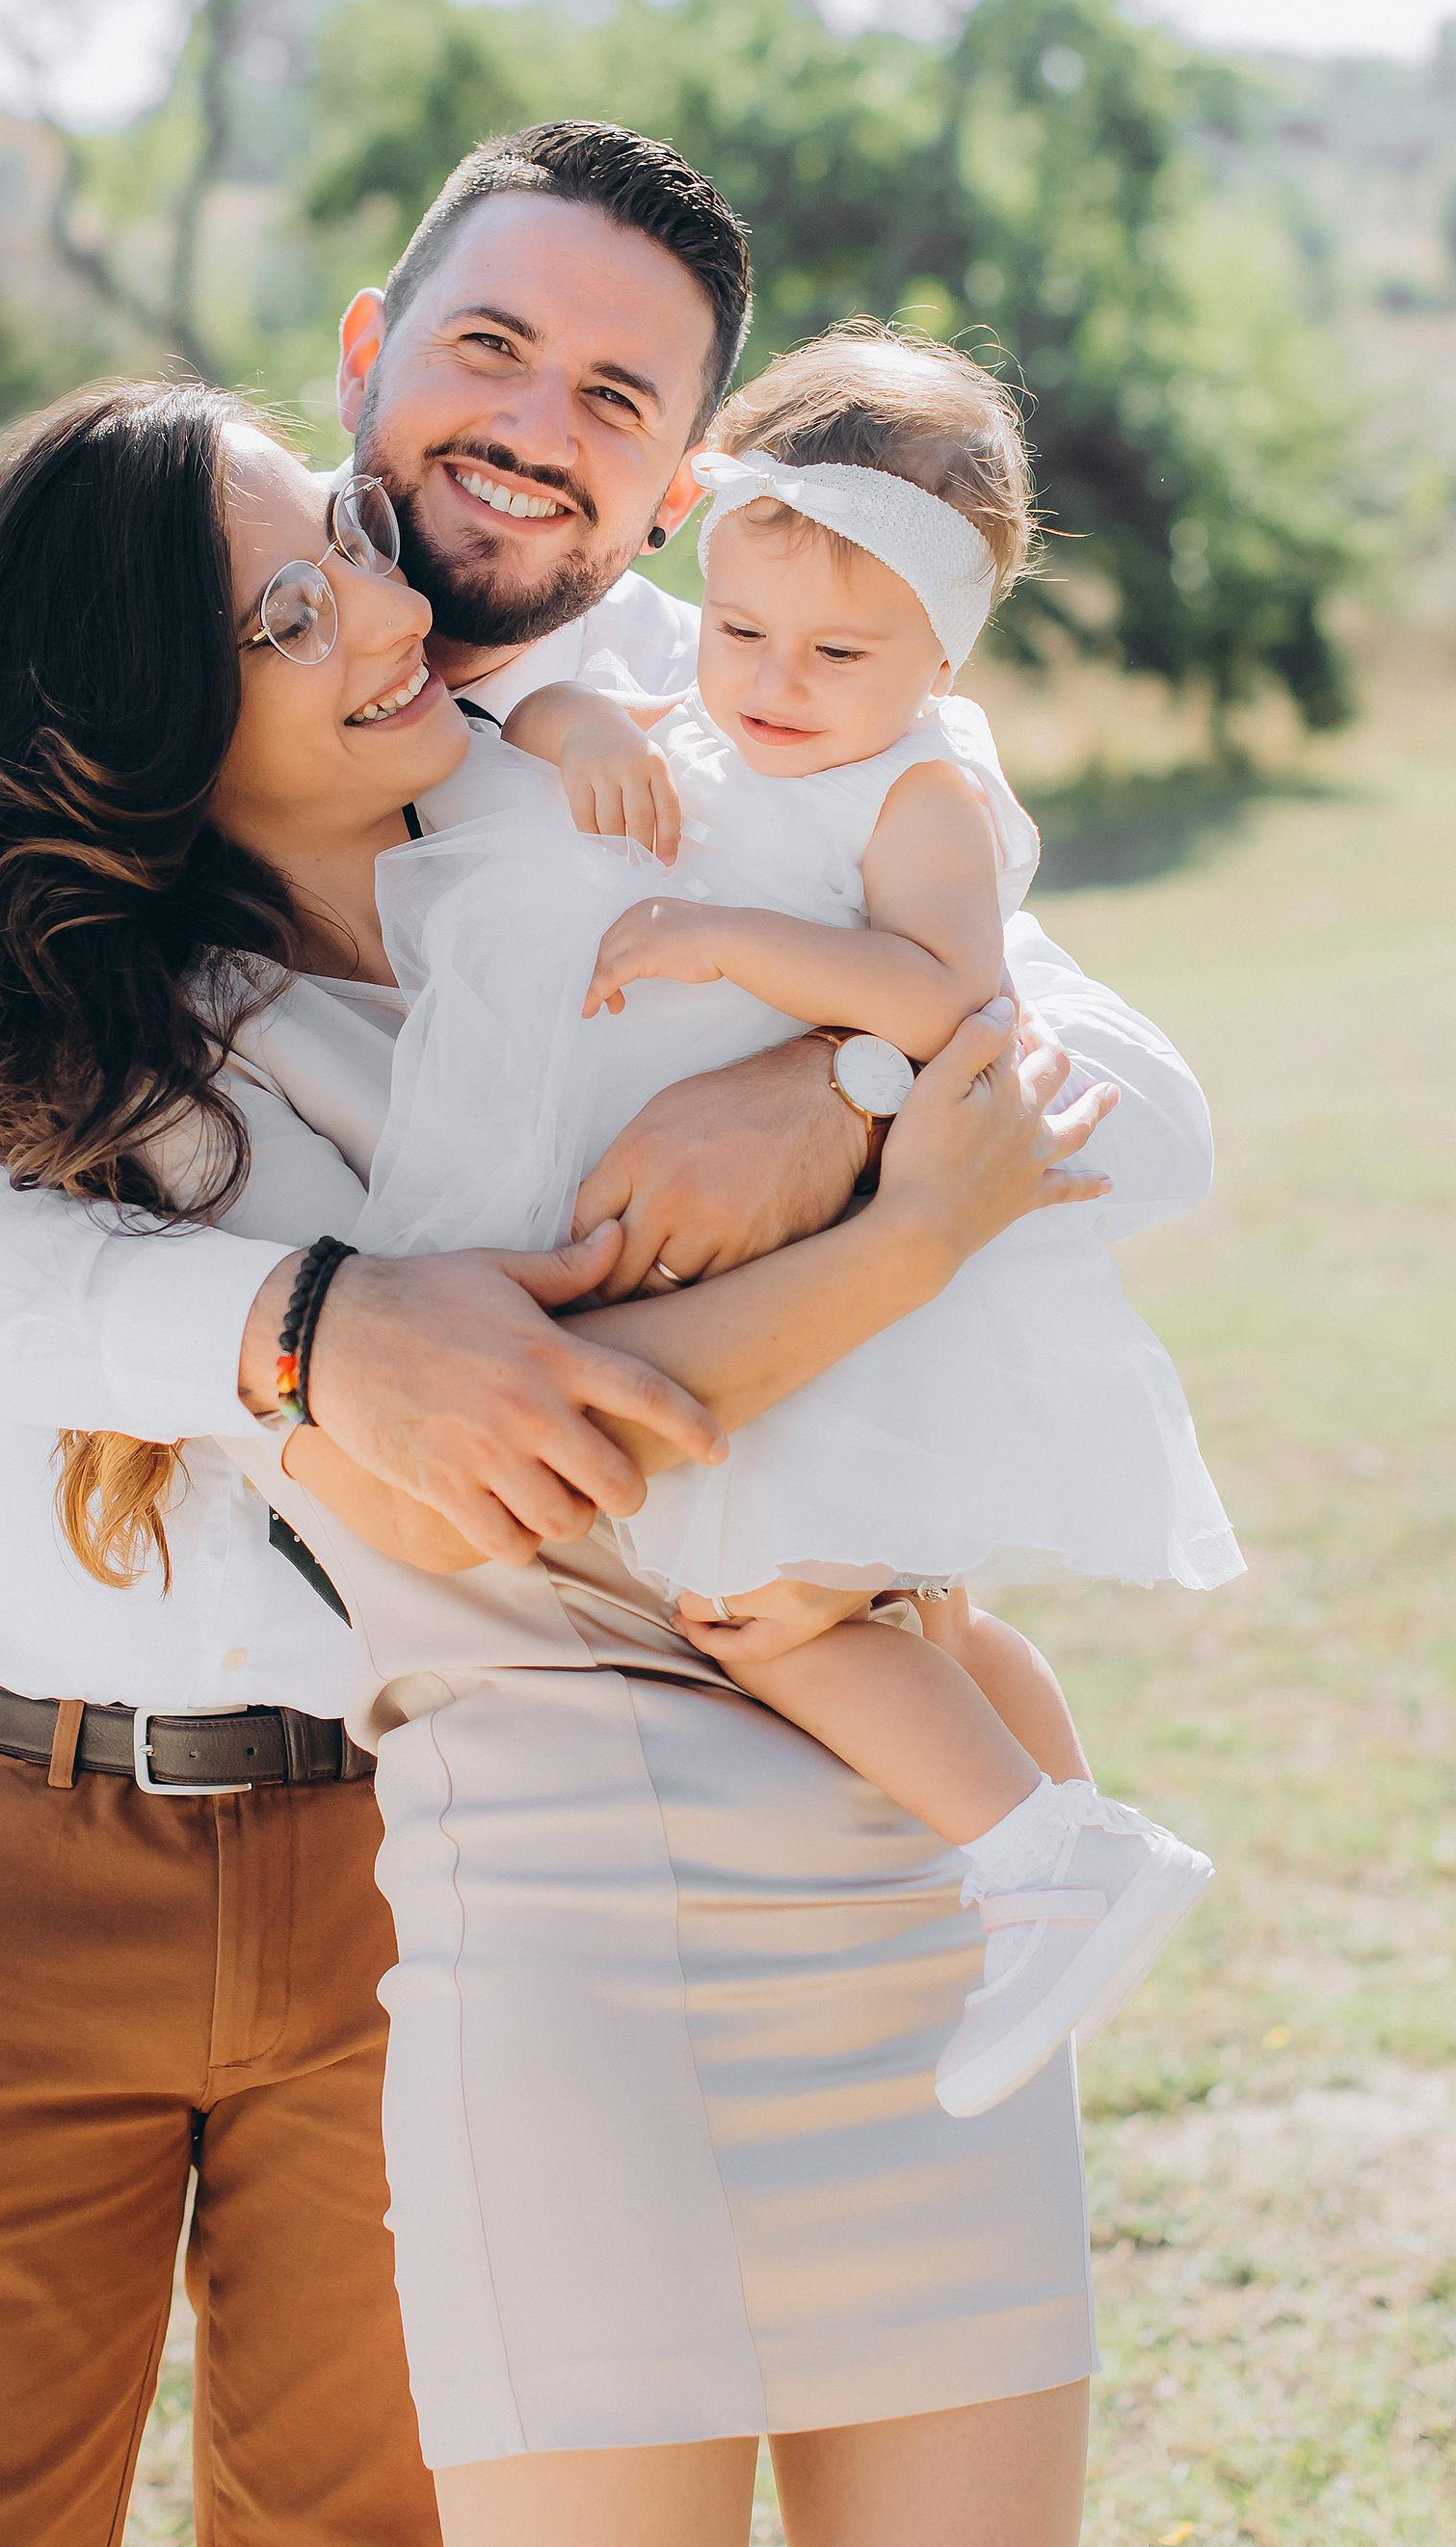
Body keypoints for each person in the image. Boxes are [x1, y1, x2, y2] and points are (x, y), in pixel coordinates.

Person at [0, 125, 1214, 2547]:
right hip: (21, 1790)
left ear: (689, 470)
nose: (537, 429)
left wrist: (834, 1083)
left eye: (616, 394)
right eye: (490, 346)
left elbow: (1122, 1103)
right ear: (370, 349)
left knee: (361, 2518)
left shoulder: (733, 714)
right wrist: (312, 1332)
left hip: (431, 1816)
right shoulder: (51, 820)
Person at [356, 320, 1234, 2126]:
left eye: (839, 655)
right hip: (773, 1274)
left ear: (941, 654)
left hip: (866, 1277)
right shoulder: (719, 718)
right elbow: (583, 729)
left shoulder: (920, 791)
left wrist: (733, 946)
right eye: (741, 630)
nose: (773, 683)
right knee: (911, 1607)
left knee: (760, 1605)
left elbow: (949, 997)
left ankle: (1042, 1860)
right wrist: (582, 720)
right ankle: (1065, 1870)